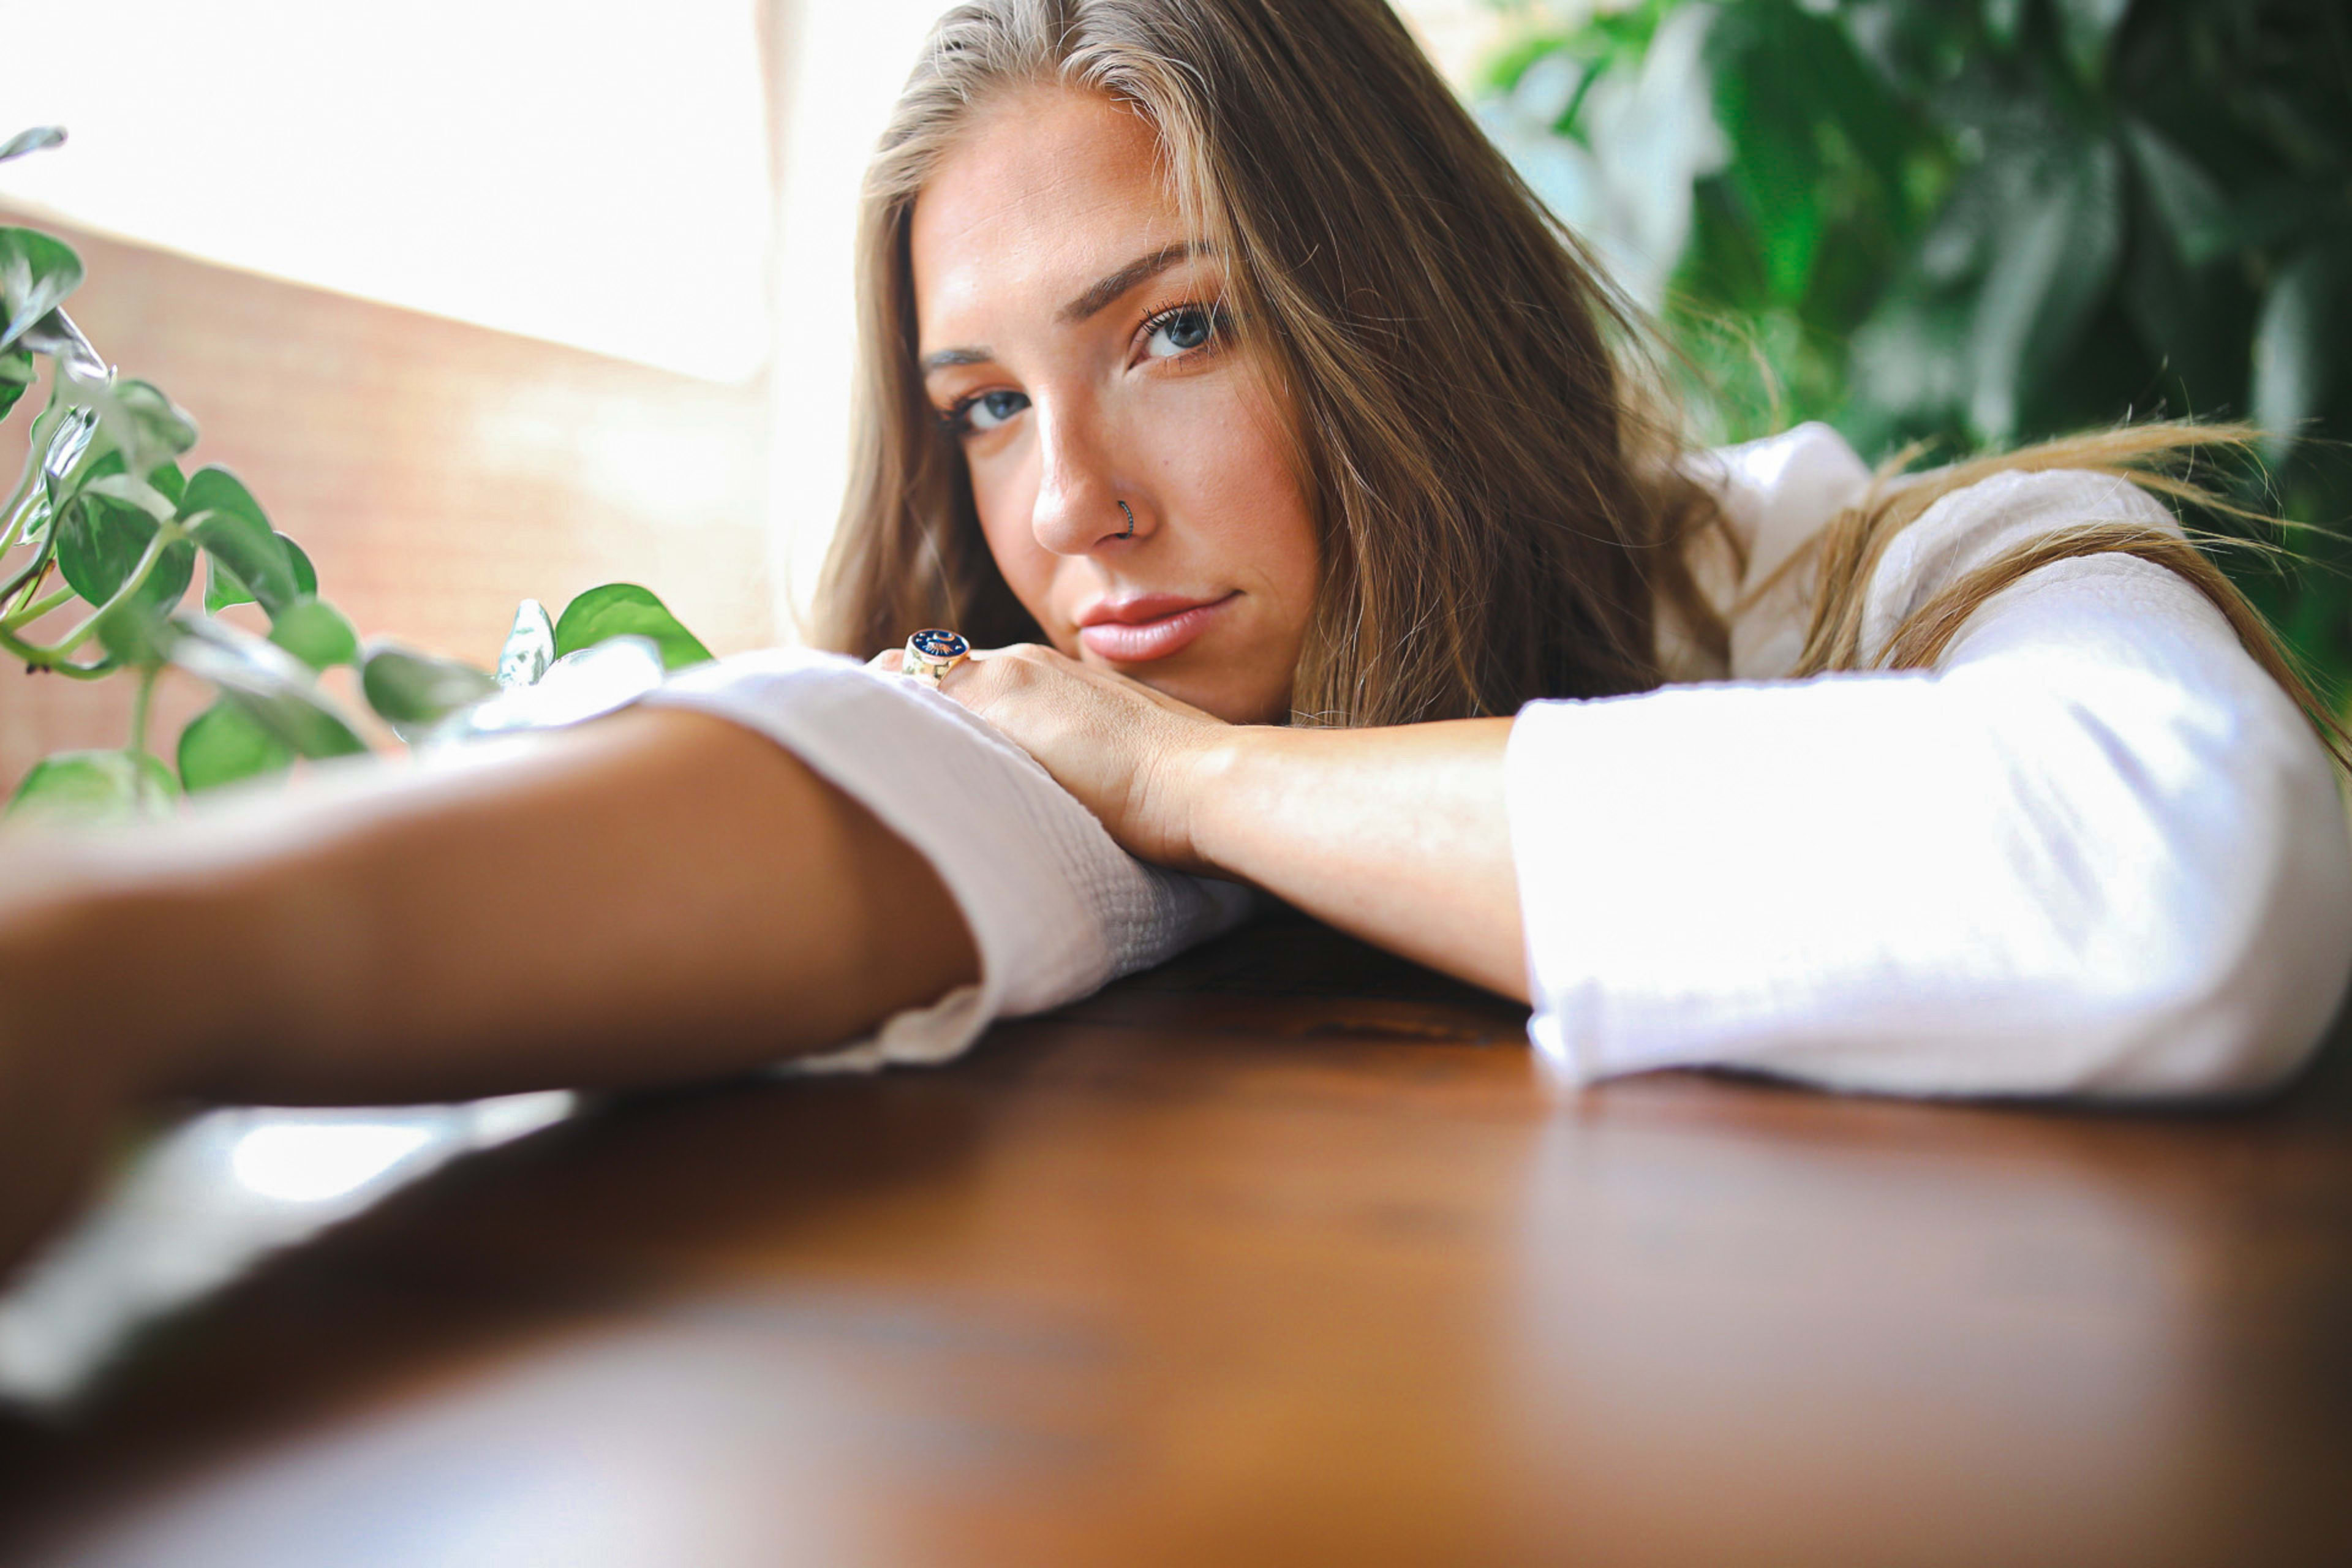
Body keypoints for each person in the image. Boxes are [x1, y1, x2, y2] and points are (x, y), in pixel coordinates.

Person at [2, 0, 2347, 1273]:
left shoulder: (1904, 576)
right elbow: (829, 778)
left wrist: (1190, 778)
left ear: (1394, 303)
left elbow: (2178, 886)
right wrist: (106, 970)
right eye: (984, 405)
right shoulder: (1110, 685)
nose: (1067, 508)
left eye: (1184, 328)